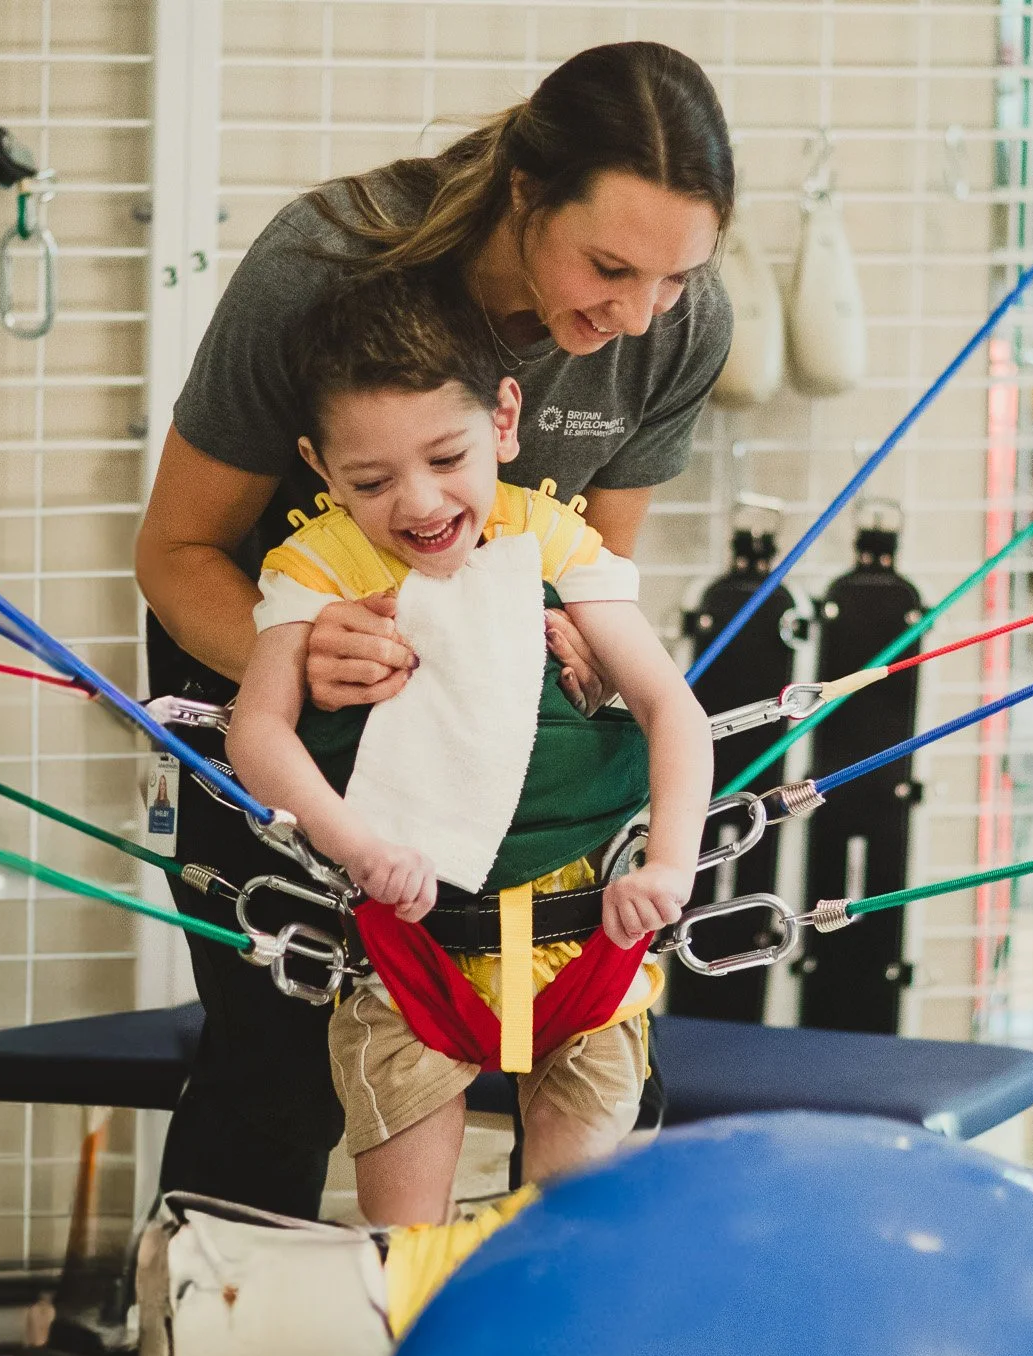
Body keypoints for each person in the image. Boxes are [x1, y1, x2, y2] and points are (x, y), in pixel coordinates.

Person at [135, 40, 735, 1219]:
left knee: (605, 1066)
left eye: (673, 279)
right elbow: (175, 556)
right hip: (294, 667)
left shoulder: (673, 322)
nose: (634, 316)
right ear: (523, 191)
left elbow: (598, 565)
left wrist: (584, 658)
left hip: (497, 701)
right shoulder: (322, 266)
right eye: (608, 267)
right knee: (283, 1061)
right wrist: (302, 666)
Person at [226, 268, 712, 1224]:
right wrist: (356, 845)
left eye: (446, 456)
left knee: (572, 1245)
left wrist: (670, 864)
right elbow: (257, 732)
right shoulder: (318, 564)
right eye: (369, 480)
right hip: (411, 946)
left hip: (586, 935)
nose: (417, 502)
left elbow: (671, 706)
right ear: (319, 468)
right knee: (404, 1248)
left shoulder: (555, 540)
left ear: (504, 420)